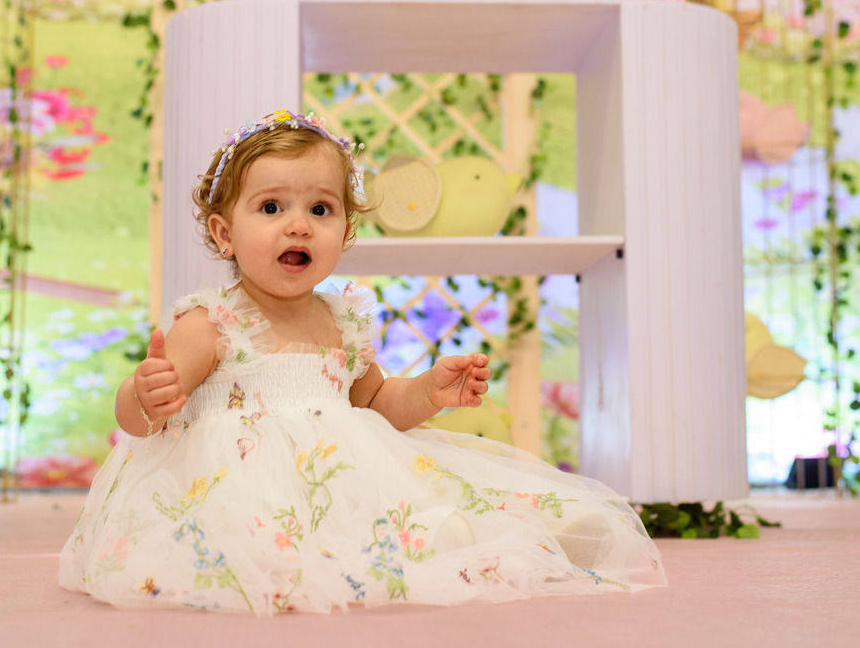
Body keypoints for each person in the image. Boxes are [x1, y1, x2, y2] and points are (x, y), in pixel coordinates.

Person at [59, 109, 665, 613]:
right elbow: (139, 424)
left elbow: (373, 403)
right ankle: (435, 542)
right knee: (276, 549)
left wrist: (427, 391)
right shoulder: (212, 322)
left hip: (337, 484)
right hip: (241, 493)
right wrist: (146, 395)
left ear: (345, 231)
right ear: (225, 234)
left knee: (425, 503)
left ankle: (499, 535)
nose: (298, 225)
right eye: (271, 208)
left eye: (320, 210)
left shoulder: (340, 322)